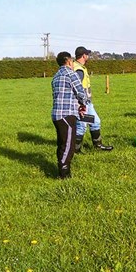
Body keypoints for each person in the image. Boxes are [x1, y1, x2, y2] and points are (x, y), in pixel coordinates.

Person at [51, 51, 89, 179]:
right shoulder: (71, 74)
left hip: (56, 115)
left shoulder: (55, 76)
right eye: (72, 61)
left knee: (61, 143)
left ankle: (61, 169)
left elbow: (63, 96)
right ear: (68, 61)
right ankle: (64, 175)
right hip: (67, 115)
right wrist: (84, 104)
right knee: (68, 145)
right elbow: (80, 92)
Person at [73, 46, 113, 152]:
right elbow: (75, 87)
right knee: (81, 126)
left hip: (87, 102)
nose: (88, 56)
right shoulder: (79, 70)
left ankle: (98, 146)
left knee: (96, 121)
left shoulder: (78, 67)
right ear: (83, 55)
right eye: (87, 54)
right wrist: (79, 103)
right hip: (82, 103)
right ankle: (75, 150)